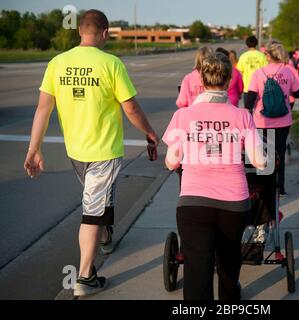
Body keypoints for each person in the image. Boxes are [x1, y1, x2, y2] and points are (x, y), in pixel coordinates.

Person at [23, 9, 159, 296]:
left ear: (79, 31)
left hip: (76, 151)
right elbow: (131, 107)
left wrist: (34, 148)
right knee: (92, 212)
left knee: (96, 199)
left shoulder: (57, 62)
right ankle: (84, 277)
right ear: (106, 33)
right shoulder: (111, 63)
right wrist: (149, 133)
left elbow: (43, 109)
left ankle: (106, 233)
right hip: (104, 151)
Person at [163, 52, 266, 300]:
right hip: (234, 202)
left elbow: (171, 162)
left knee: (197, 268)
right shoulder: (242, 116)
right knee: (229, 261)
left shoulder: (183, 116)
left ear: (201, 78)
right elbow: (260, 161)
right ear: (229, 80)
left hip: (194, 201)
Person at [245, 40, 299, 196]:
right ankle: (280, 187)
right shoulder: (288, 72)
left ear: (268, 55)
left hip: (262, 120)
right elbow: (297, 93)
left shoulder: (258, 73)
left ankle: (266, 189)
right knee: (280, 151)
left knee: (264, 154)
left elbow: (250, 99)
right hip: (283, 121)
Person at [237, 36, 268, 105]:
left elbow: (239, 72)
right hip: (260, 87)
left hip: (247, 87)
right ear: (256, 44)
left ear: (247, 44)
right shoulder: (262, 56)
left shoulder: (243, 56)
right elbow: (266, 71)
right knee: (260, 109)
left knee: (248, 110)